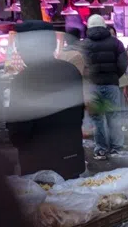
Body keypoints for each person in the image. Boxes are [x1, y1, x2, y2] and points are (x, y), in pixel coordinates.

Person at [7, 21, 85, 179]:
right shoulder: (70, 70)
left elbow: (19, 128)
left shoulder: (24, 79)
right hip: (71, 156)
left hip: (38, 162)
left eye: (20, 47)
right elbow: (79, 114)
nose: (19, 52)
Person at [83, 15, 128, 160]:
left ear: (89, 27)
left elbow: (81, 66)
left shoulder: (84, 45)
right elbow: (122, 64)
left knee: (97, 119)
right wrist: (114, 76)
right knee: (114, 117)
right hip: (111, 85)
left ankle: (101, 149)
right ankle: (117, 148)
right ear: (104, 26)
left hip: (93, 87)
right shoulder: (116, 43)